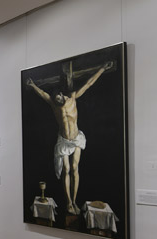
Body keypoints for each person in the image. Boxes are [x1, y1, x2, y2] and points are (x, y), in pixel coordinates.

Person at [26, 59, 113, 215]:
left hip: (76, 138)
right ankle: (68, 203)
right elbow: (43, 94)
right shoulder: (53, 104)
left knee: (74, 168)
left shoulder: (72, 98)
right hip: (64, 141)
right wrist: (32, 85)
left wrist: (101, 68)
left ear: (62, 95)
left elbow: (88, 84)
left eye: (59, 99)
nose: (58, 102)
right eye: (56, 101)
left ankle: (74, 200)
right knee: (66, 169)